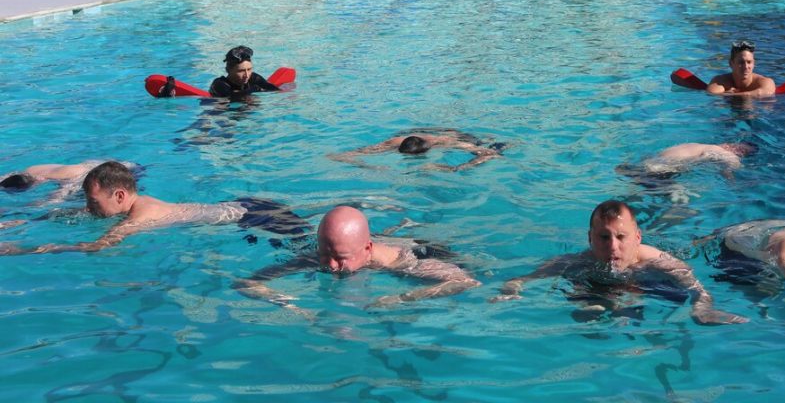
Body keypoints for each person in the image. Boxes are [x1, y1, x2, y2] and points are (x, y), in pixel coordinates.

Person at [491, 200, 747, 325]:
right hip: (599, 285)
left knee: (639, 310)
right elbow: (521, 280)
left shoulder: (658, 261)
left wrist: (702, 309)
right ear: (590, 238)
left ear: (637, 237)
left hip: (648, 283)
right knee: (583, 315)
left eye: (621, 237)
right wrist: (511, 291)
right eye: (603, 237)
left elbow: (697, 288)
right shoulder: (579, 260)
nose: (613, 246)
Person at [0, 162, 309, 255]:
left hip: (256, 218)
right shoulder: (131, 207)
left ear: (120, 196)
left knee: (312, 254)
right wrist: (20, 223)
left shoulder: (141, 215)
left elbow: (96, 247)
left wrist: (24, 250)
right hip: (242, 208)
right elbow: (76, 216)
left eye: (93, 201)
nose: (87, 207)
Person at [234, 205, 479, 313]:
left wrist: (401, 298)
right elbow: (245, 284)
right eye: (324, 253)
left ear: (367, 249)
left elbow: (466, 282)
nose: (330, 265)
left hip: (419, 248)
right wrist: (287, 303)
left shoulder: (406, 263)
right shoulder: (320, 257)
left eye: (340, 258)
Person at [328, 129, 504, 172]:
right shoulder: (393, 142)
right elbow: (359, 152)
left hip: (454, 135)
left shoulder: (444, 143)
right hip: (418, 133)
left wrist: (457, 169)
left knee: (493, 146)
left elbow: (490, 154)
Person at [1, 160, 137, 203]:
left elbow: (57, 197)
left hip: (131, 169)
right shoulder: (31, 170)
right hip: (102, 162)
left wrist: (32, 207)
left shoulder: (71, 177)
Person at [617, 142, 756, 184]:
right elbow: (731, 166)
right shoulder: (721, 151)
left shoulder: (695, 144)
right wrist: (732, 180)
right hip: (662, 168)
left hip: (650, 162)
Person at [706, 41, 776, 98]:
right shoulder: (719, 81)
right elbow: (712, 94)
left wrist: (729, 95)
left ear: (754, 63)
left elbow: (764, 93)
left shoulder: (765, 82)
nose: (746, 67)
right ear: (731, 63)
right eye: (741, 62)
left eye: (749, 62)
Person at [208, 45, 280, 98]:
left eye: (249, 69)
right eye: (241, 71)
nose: (247, 75)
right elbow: (231, 96)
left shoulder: (253, 78)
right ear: (228, 70)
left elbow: (273, 89)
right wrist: (255, 90)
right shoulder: (219, 84)